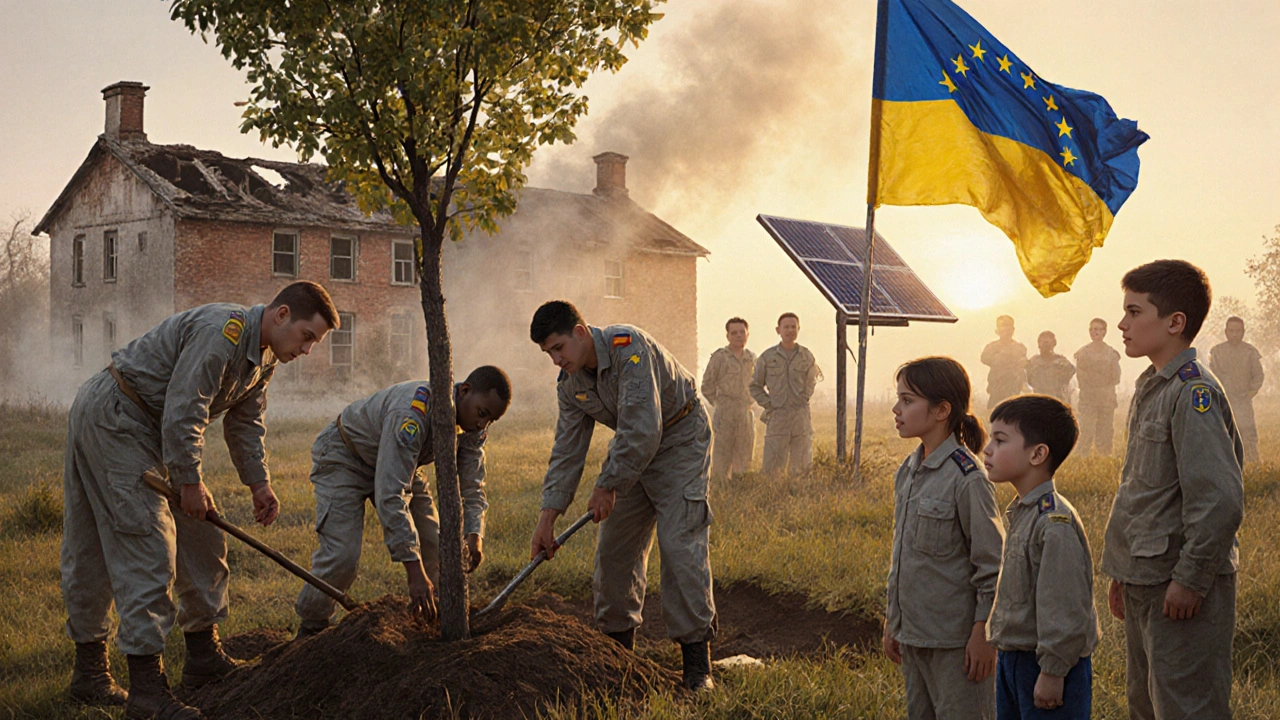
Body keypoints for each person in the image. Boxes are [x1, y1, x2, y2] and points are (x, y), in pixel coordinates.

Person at [60, 281, 338, 719]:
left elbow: (245, 424)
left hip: (154, 431)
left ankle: (203, 658)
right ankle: (137, 690)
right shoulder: (221, 332)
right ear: (281, 315)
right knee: (143, 542)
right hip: (117, 416)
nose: (307, 350)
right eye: (307, 337)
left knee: (202, 534)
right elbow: (185, 407)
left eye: (315, 343)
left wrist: (258, 484)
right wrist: (189, 480)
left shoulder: (262, 361)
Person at [528, 301, 716, 691]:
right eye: (548, 353)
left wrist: (608, 484)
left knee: (679, 544)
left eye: (559, 348)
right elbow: (567, 451)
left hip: (679, 439)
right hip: (631, 453)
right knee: (614, 551)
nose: (555, 360)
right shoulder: (571, 383)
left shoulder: (628, 347)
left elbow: (644, 428)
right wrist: (547, 518)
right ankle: (616, 659)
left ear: (580, 333)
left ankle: (698, 666)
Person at [1102, 260, 1244, 719]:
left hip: (1178, 587)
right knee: (1146, 705)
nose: (1122, 324)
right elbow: (1146, 492)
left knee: (1186, 709)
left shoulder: (1192, 393)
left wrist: (1190, 579)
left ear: (1174, 322)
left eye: (1134, 312)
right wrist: (1124, 572)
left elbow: (1218, 501)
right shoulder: (1154, 387)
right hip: (1147, 578)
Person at [294, 367, 511, 638]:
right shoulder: (413, 412)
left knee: (436, 542)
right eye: (482, 414)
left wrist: (474, 533)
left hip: (403, 464)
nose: (483, 425)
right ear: (465, 391)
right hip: (346, 457)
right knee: (343, 555)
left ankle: (435, 619)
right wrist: (414, 571)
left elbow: (472, 485)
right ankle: (312, 627)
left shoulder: (472, 425)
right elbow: (390, 493)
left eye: (491, 420)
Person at [884, 356, 1005, 720]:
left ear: (941, 411)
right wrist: (894, 620)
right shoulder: (909, 469)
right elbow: (902, 555)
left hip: (956, 643)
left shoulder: (967, 478)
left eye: (907, 400)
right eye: (898, 398)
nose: (896, 408)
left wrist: (983, 634)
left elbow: (993, 565)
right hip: (915, 634)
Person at [984, 395, 1099, 719]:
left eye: (1000, 440)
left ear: (1038, 453)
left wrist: (1052, 672)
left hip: (1046, 665)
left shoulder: (1053, 524)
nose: (987, 449)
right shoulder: (1024, 513)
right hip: (1014, 658)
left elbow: (1063, 605)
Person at [750, 312, 821, 476]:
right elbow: (755, 386)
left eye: (793, 327)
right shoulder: (767, 357)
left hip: (800, 417)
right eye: (786, 327)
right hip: (778, 417)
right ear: (778, 330)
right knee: (772, 468)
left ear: (798, 329)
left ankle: (798, 498)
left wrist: (804, 397)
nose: (790, 330)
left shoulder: (806, 356)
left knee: (802, 467)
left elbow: (812, 380)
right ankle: (772, 498)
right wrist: (769, 404)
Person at [701, 317, 757, 479]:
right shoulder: (719, 357)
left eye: (742, 332)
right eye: (734, 333)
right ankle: (721, 488)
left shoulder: (752, 359)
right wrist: (719, 404)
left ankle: (739, 489)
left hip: (745, 412)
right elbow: (707, 385)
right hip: (725, 412)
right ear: (728, 336)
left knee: (745, 453)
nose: (738, 336)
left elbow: (760, 383)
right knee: (722, 455)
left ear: (747, 334)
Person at [1210, 316, 1265, 463]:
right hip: (1222, 403)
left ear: (1243, 332)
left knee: (1248, 437)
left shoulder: (1250, 352)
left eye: (1238, 331)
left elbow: (1258, 376)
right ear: (1226, 332)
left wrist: (1250, 394)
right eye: (1231, 331)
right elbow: (1211, 376)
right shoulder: (1217, 352)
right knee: (1221, 436)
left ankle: (1254, 469)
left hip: (1243, 402)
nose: (1235, 334)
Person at [1073, 319, 1123, 457]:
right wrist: (1100, 378)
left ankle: (1104, 461)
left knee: (1105, 432)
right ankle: (1082, 461)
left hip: (1106, 400)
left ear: (1104, 332)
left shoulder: (1111, 354)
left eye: (1098, 329)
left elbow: (1116, 377)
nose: (1094, 332)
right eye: (1092, 329)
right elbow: (1082, 378)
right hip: (1088, 400)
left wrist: (1096, 378)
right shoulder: (1083, 353)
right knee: (1086, 430)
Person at [981, 316, 1028, 410]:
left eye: (1008, 326)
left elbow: (1023, 364)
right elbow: (984, 359)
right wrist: (1000, 357)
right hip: (996, 390)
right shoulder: (991, 347)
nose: (1005, 329)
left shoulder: (1020, 348)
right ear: (997, 330)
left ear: (1013, 329)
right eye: (1002, 326)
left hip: (1014, 390)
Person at [1024, 331, 1075, 403]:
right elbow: (1029, 381)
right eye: (1043, 340)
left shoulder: (1062, 363)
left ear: (1054, 344)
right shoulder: (1032, 363)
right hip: (1039, 400)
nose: (1046, 342)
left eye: (1048, 340)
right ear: (1039, 344)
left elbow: (1069, 376)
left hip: (1058, 400)